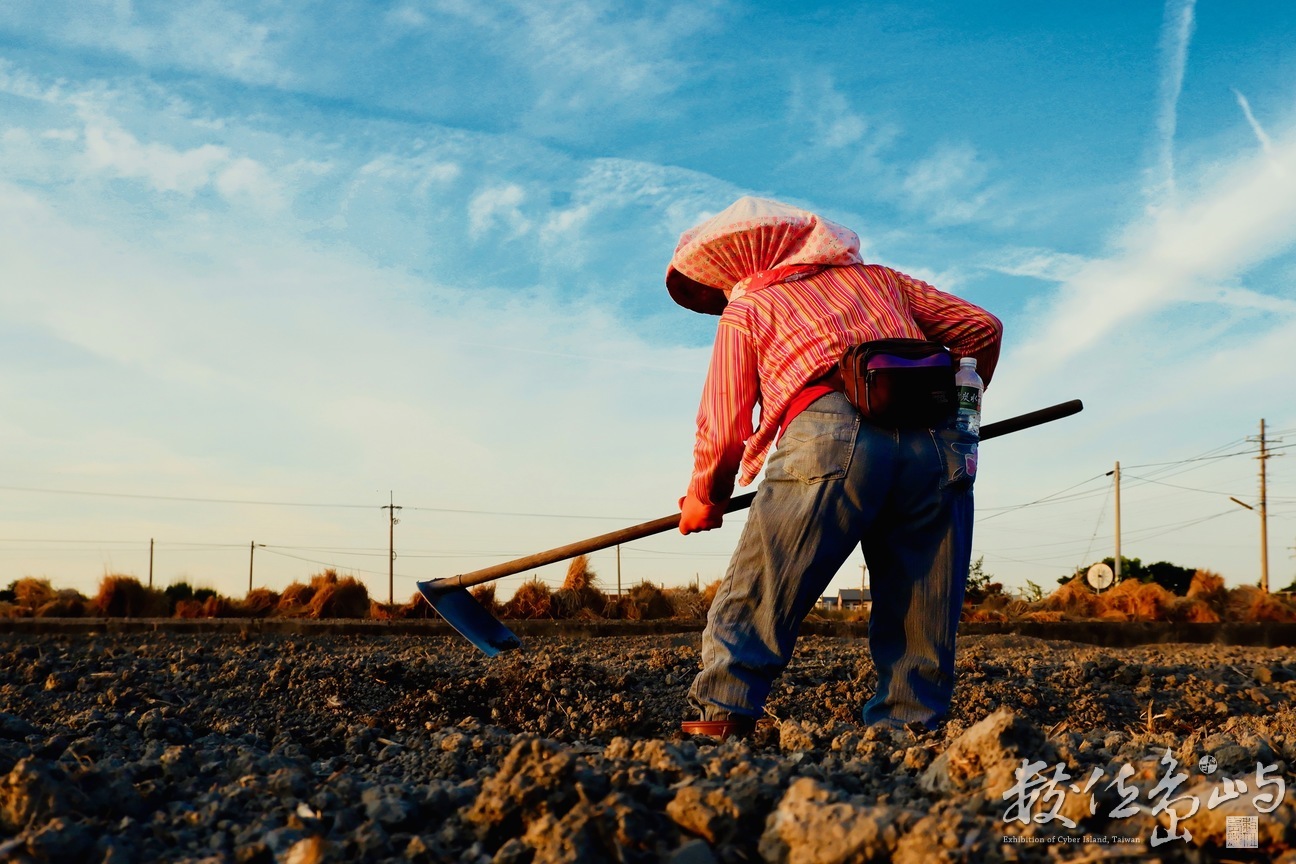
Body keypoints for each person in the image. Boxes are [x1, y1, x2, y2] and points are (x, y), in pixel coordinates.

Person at [666, 197, 1003, 738]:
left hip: (829, 433)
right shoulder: (881, 280)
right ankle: (907, 730)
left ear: (742, 263)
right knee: (923, 600)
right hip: (937, 443)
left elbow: (723, 424)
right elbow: (980, 328)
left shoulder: (750, 309)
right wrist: (957, 400)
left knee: (764, 586)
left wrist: (705, 496)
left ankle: (719, 723)